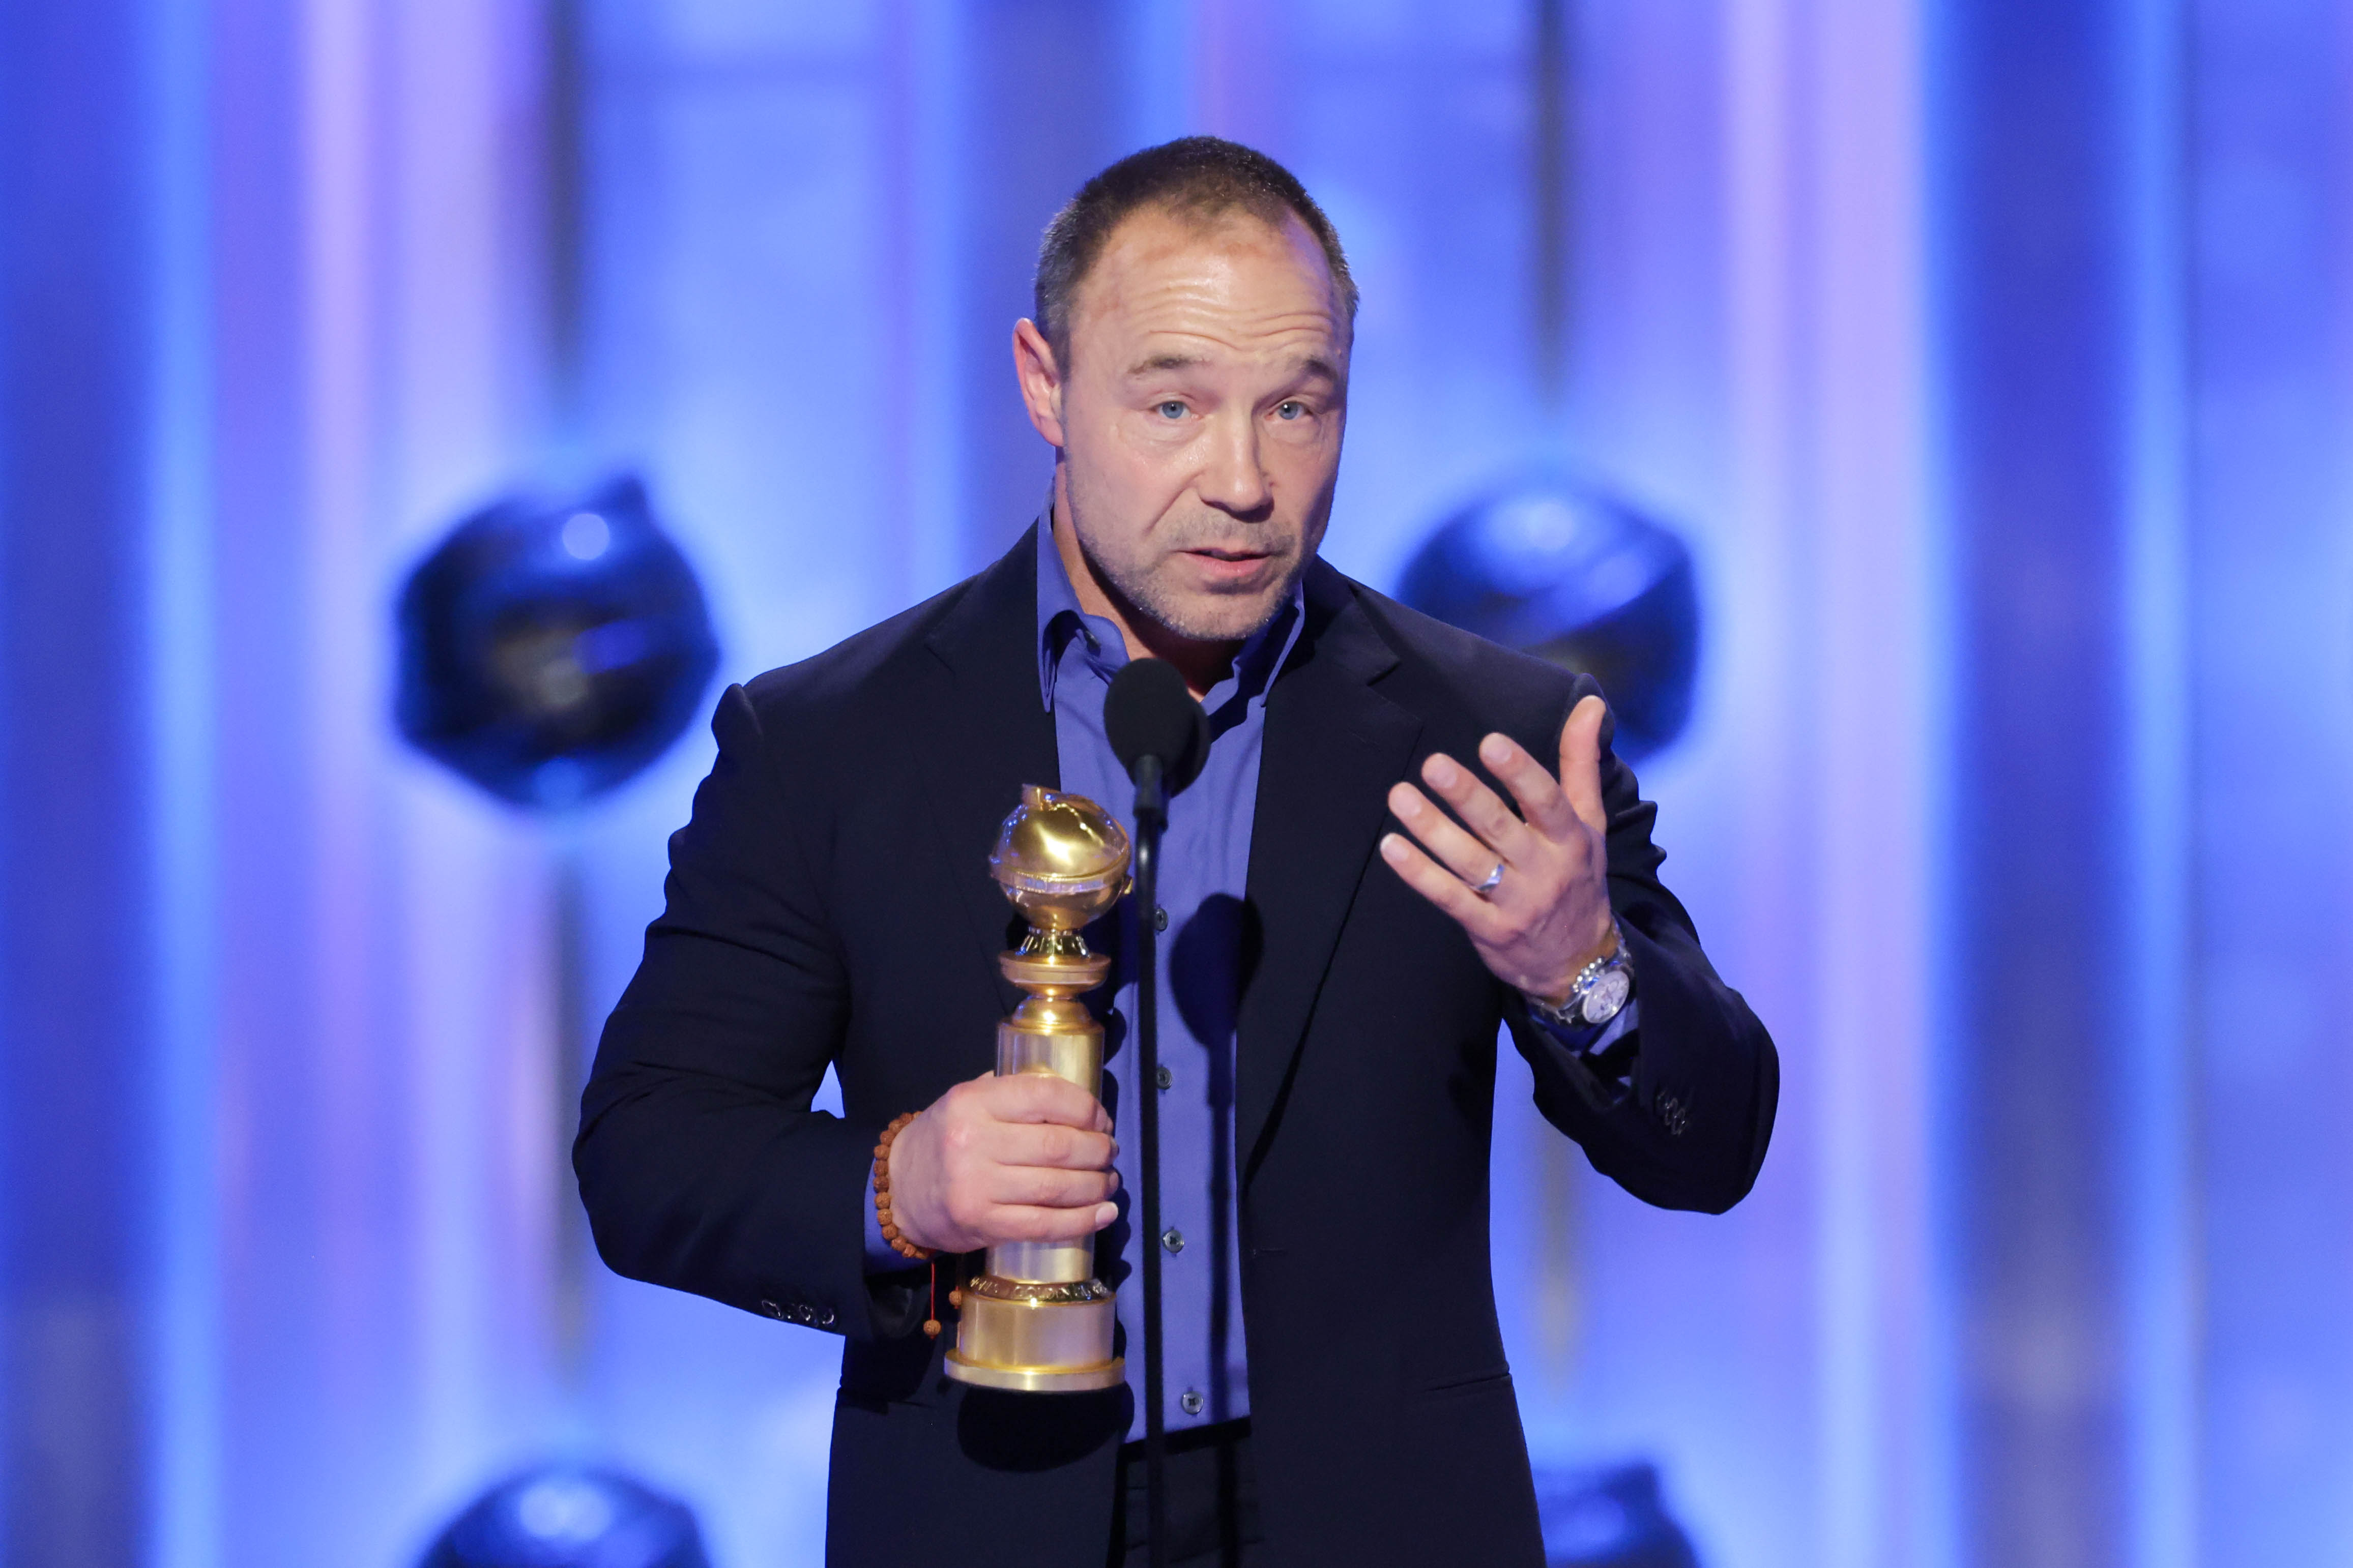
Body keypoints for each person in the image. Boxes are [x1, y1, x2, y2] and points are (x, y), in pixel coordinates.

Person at [574, 137, 1776, 1568]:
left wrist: (1580, 970)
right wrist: (900, 1184)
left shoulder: (1493, 739)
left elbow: (1716, 1145)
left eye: (1296, 406)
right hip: (985, 1512)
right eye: (1173, 404)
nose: (1245, 479)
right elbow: (650, 1157)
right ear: (1044, 385)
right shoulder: (827, 744)